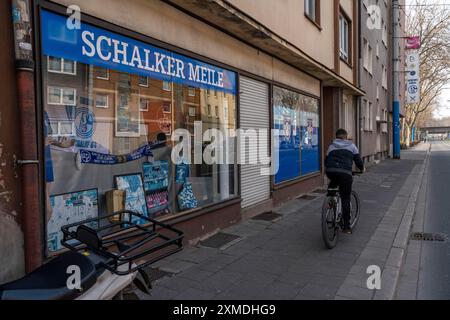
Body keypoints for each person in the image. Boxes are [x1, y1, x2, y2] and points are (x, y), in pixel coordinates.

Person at [325, 129, 364, 234]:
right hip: (345, 174)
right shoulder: (352, 146)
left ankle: (330, 199)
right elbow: (359, 161)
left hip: (331, 171)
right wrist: (361, 169)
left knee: (334, 181)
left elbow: (326, 160)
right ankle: (346, 227)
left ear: (336, 137)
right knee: (345, 198)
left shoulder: (331, 146)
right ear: (346, 137)